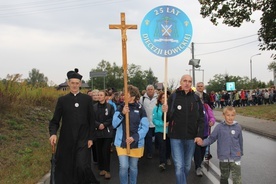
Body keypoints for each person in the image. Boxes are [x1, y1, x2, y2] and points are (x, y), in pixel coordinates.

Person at [49, 68, 100, 184]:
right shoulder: (62, 100)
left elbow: (91, 120)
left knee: (82, 166)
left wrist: (91, 137)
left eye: (77, 83)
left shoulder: (87, 99)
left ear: (80, 84)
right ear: (68, 83)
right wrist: (53, 134)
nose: (74, 85)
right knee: (67, 167)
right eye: (72, 83)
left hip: (83, 139)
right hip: (66, 140)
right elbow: (55, 121)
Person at [162, 74, 204, 184]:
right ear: (180, 82)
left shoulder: (196, 98)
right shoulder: (174, 97)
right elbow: (166, 119)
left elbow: (201, 118)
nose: (187, 83)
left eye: (189, 81)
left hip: (191, 137)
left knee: (187, 166)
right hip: (175, 137)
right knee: (179, 165)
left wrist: (199, 134)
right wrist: (164, 111)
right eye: (185, 81)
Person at [112, 85, 149, 184]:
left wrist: (134, 137)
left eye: (126, 94)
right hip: (121, 143)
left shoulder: (140, 109)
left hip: (136, 143)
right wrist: (122, 114)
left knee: (133, 167)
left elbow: (145, 127)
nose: (123, 96)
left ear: (132, 96)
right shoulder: (120, 107)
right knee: (124, 166)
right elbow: (114, 124)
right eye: (123, 94)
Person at [198, 106, 243, 184]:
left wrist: (240, 152)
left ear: (235, 116)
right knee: (224, 177)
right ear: (223, 115)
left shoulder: (238, 127)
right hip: (223, 157)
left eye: (232, 115)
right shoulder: (219, 127)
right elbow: (211, 138)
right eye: (228, 115)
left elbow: (240, 141)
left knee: (237, 179)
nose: (230, 117)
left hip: (236, 157)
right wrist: (203, 143)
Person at [94, 90, 115, 179]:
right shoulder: (93, 107)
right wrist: (98, 125)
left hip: (107, 133)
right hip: (97, 132)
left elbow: (112, 118)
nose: (99, 96)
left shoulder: (110, 107)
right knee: (99, 151)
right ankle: (101, 168)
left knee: (105, 151)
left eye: (101, 95)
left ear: (105, 96)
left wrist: (104, 124)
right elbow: (91, 118)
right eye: (98, 95)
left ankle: (107, 170)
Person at [193, 89, 215, 176]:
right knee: (197, 151)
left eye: (199, 98)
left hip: (205, 132)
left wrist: (211, 121)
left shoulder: (206, 106)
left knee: (202, 150)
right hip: (194, 133)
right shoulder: (191, 107)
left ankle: (199, 163)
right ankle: (198, 166)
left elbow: (211, 116)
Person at [152, 92, 171, 171]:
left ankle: (168, 157)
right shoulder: (156, 108)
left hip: (169, 131)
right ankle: (162, 162)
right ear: (160, 99)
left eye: (166, 97)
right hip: (160, 131)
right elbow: (154, 120)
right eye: (162, 97)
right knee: (162, 146)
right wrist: (163, 124)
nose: (164, 99)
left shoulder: (171, 108)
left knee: (168, 146)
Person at [140, 84, 158, 159]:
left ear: (154, 90)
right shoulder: (142, 98)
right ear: (146, 90)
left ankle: (158, 151)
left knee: (158, 138)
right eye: (148, 89)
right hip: (147, 122)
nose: (150, 91)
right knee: (148, 138)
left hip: (156, 122)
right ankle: (150, 152)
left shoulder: (158, 97)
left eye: (151, 89)